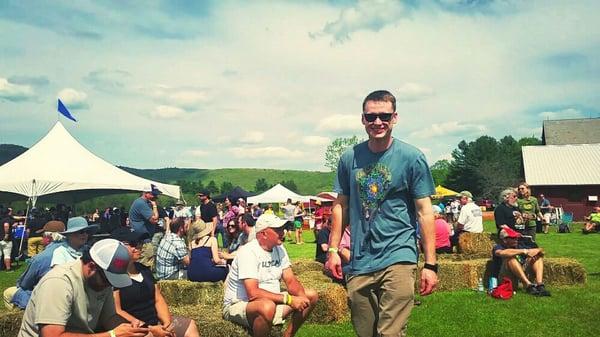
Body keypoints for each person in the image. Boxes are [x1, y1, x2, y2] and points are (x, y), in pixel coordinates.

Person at [327, 90, 438, 337]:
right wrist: (333, 250)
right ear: (363, 119)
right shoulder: (349, 158)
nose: (378, 122)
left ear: (395, 117)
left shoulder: (411, 158)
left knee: (389, 333)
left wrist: (430, 264)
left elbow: (425, 212)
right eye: (371, 116)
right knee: (366, 332)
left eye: (384, 116)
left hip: (399, 252)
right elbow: (341, 206)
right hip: (360, 257)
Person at [17, 238, 149, 337]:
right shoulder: (59, 282)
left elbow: (109, 318)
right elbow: (52, 335)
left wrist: (131, 329)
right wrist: (113, 335)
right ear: (92, 267)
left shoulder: (102, 279)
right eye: (107, 280)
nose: (109, 285)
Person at [223, 214, 318, 337]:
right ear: (264, 234)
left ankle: (288, 335)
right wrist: (289, 300)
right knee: (267, 306)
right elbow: (253, 293)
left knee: (311, 296)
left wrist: (301, 298)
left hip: (271, 302)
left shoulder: (280, 249)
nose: (282, 232)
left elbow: (290, 280)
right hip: (240, 304)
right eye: (277, 229)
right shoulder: (248, 252)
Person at [111, 227, 200, 337]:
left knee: (190, 325)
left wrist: (167, 324)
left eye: (139, 243)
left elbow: (158, 299)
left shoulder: (144, 269)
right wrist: (150, 329)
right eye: (132, 244)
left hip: (156, 323)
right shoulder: (114, 275)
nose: (138, 246)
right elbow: (117, 311)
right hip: (134, 327)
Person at [492, 227, 551, 296]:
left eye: (516, 237)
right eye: (513, 238)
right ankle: (528, 285)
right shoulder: (498, 246)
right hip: (508, 278)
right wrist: (524, 251)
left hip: (522, 273)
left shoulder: (520, 245)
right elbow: (501, 253)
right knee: (510, 259)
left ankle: (540, 285)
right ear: (505, 240)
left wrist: (537, 251)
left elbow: (541, 250)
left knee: (537, 257)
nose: (516, 239)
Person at [129, 184, 162, 269]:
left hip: (142, 238)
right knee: (146, 261)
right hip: (143, 240)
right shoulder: (141, 203)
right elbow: (154, 220)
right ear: (146, 193)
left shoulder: (144, 203)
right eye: (153, 194)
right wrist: (154, 206)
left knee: (144, 260)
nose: (156, 197)